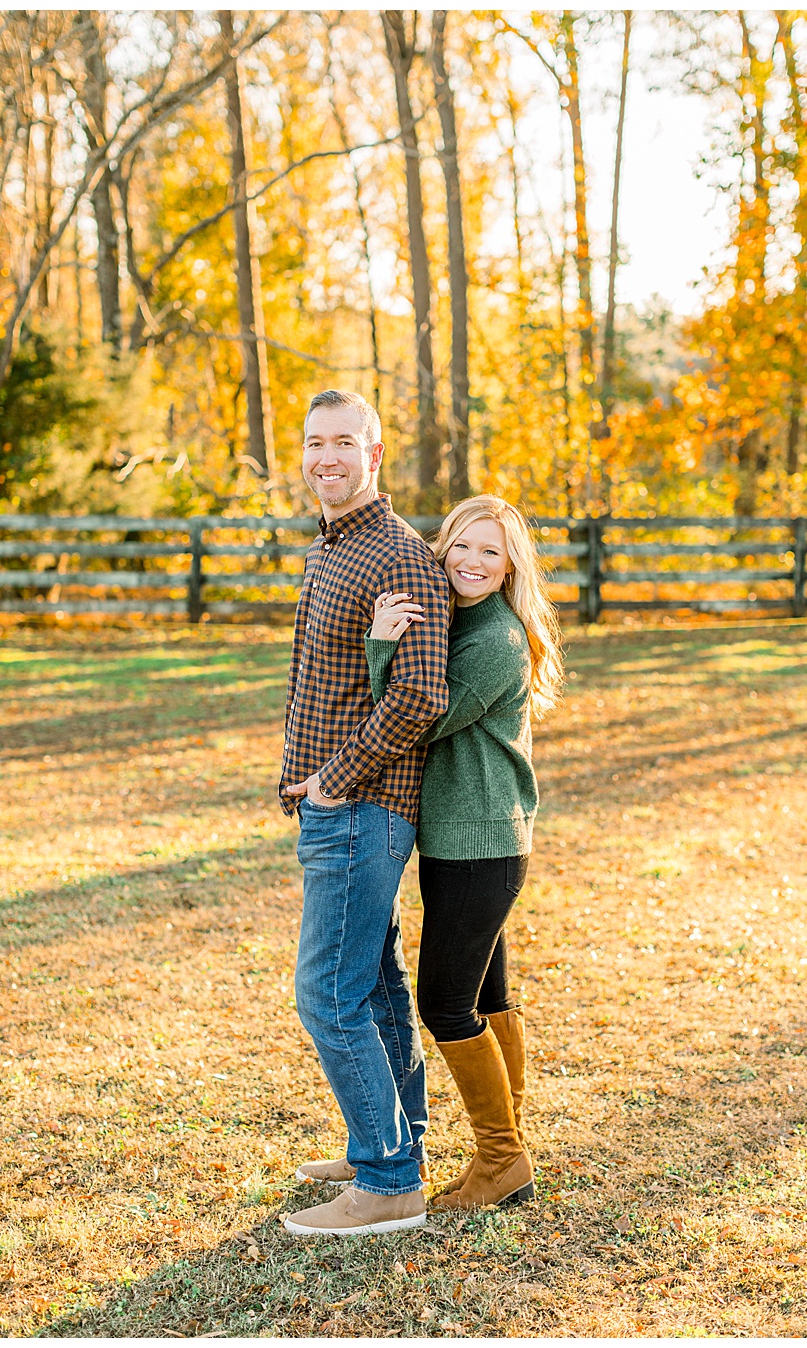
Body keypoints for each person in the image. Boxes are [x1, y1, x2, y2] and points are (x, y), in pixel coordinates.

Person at [277, 389, 452, 1237]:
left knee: (326, 994)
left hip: (363, 809)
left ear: (375, 453)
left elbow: (421, 690)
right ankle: (388, 1141)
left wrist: (335, 781)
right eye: (315, 444)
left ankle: (388, 1183)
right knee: (376, 987)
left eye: (344, 443)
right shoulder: (331, 549)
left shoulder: (398, 556)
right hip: (334, 809)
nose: (326, 458)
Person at [366, 495, 566, 1210]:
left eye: (490, 551)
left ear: (511, 564)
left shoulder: (493, 640)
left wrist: (382, 645)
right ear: (442, 548)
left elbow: (420, 719)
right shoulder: (469, 622)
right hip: (481, 840)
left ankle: (502, 1159)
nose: (473, 563)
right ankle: (505, 1151)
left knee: (446, 1005)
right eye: (462, 547)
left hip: (478, 849)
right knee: (489, 998)